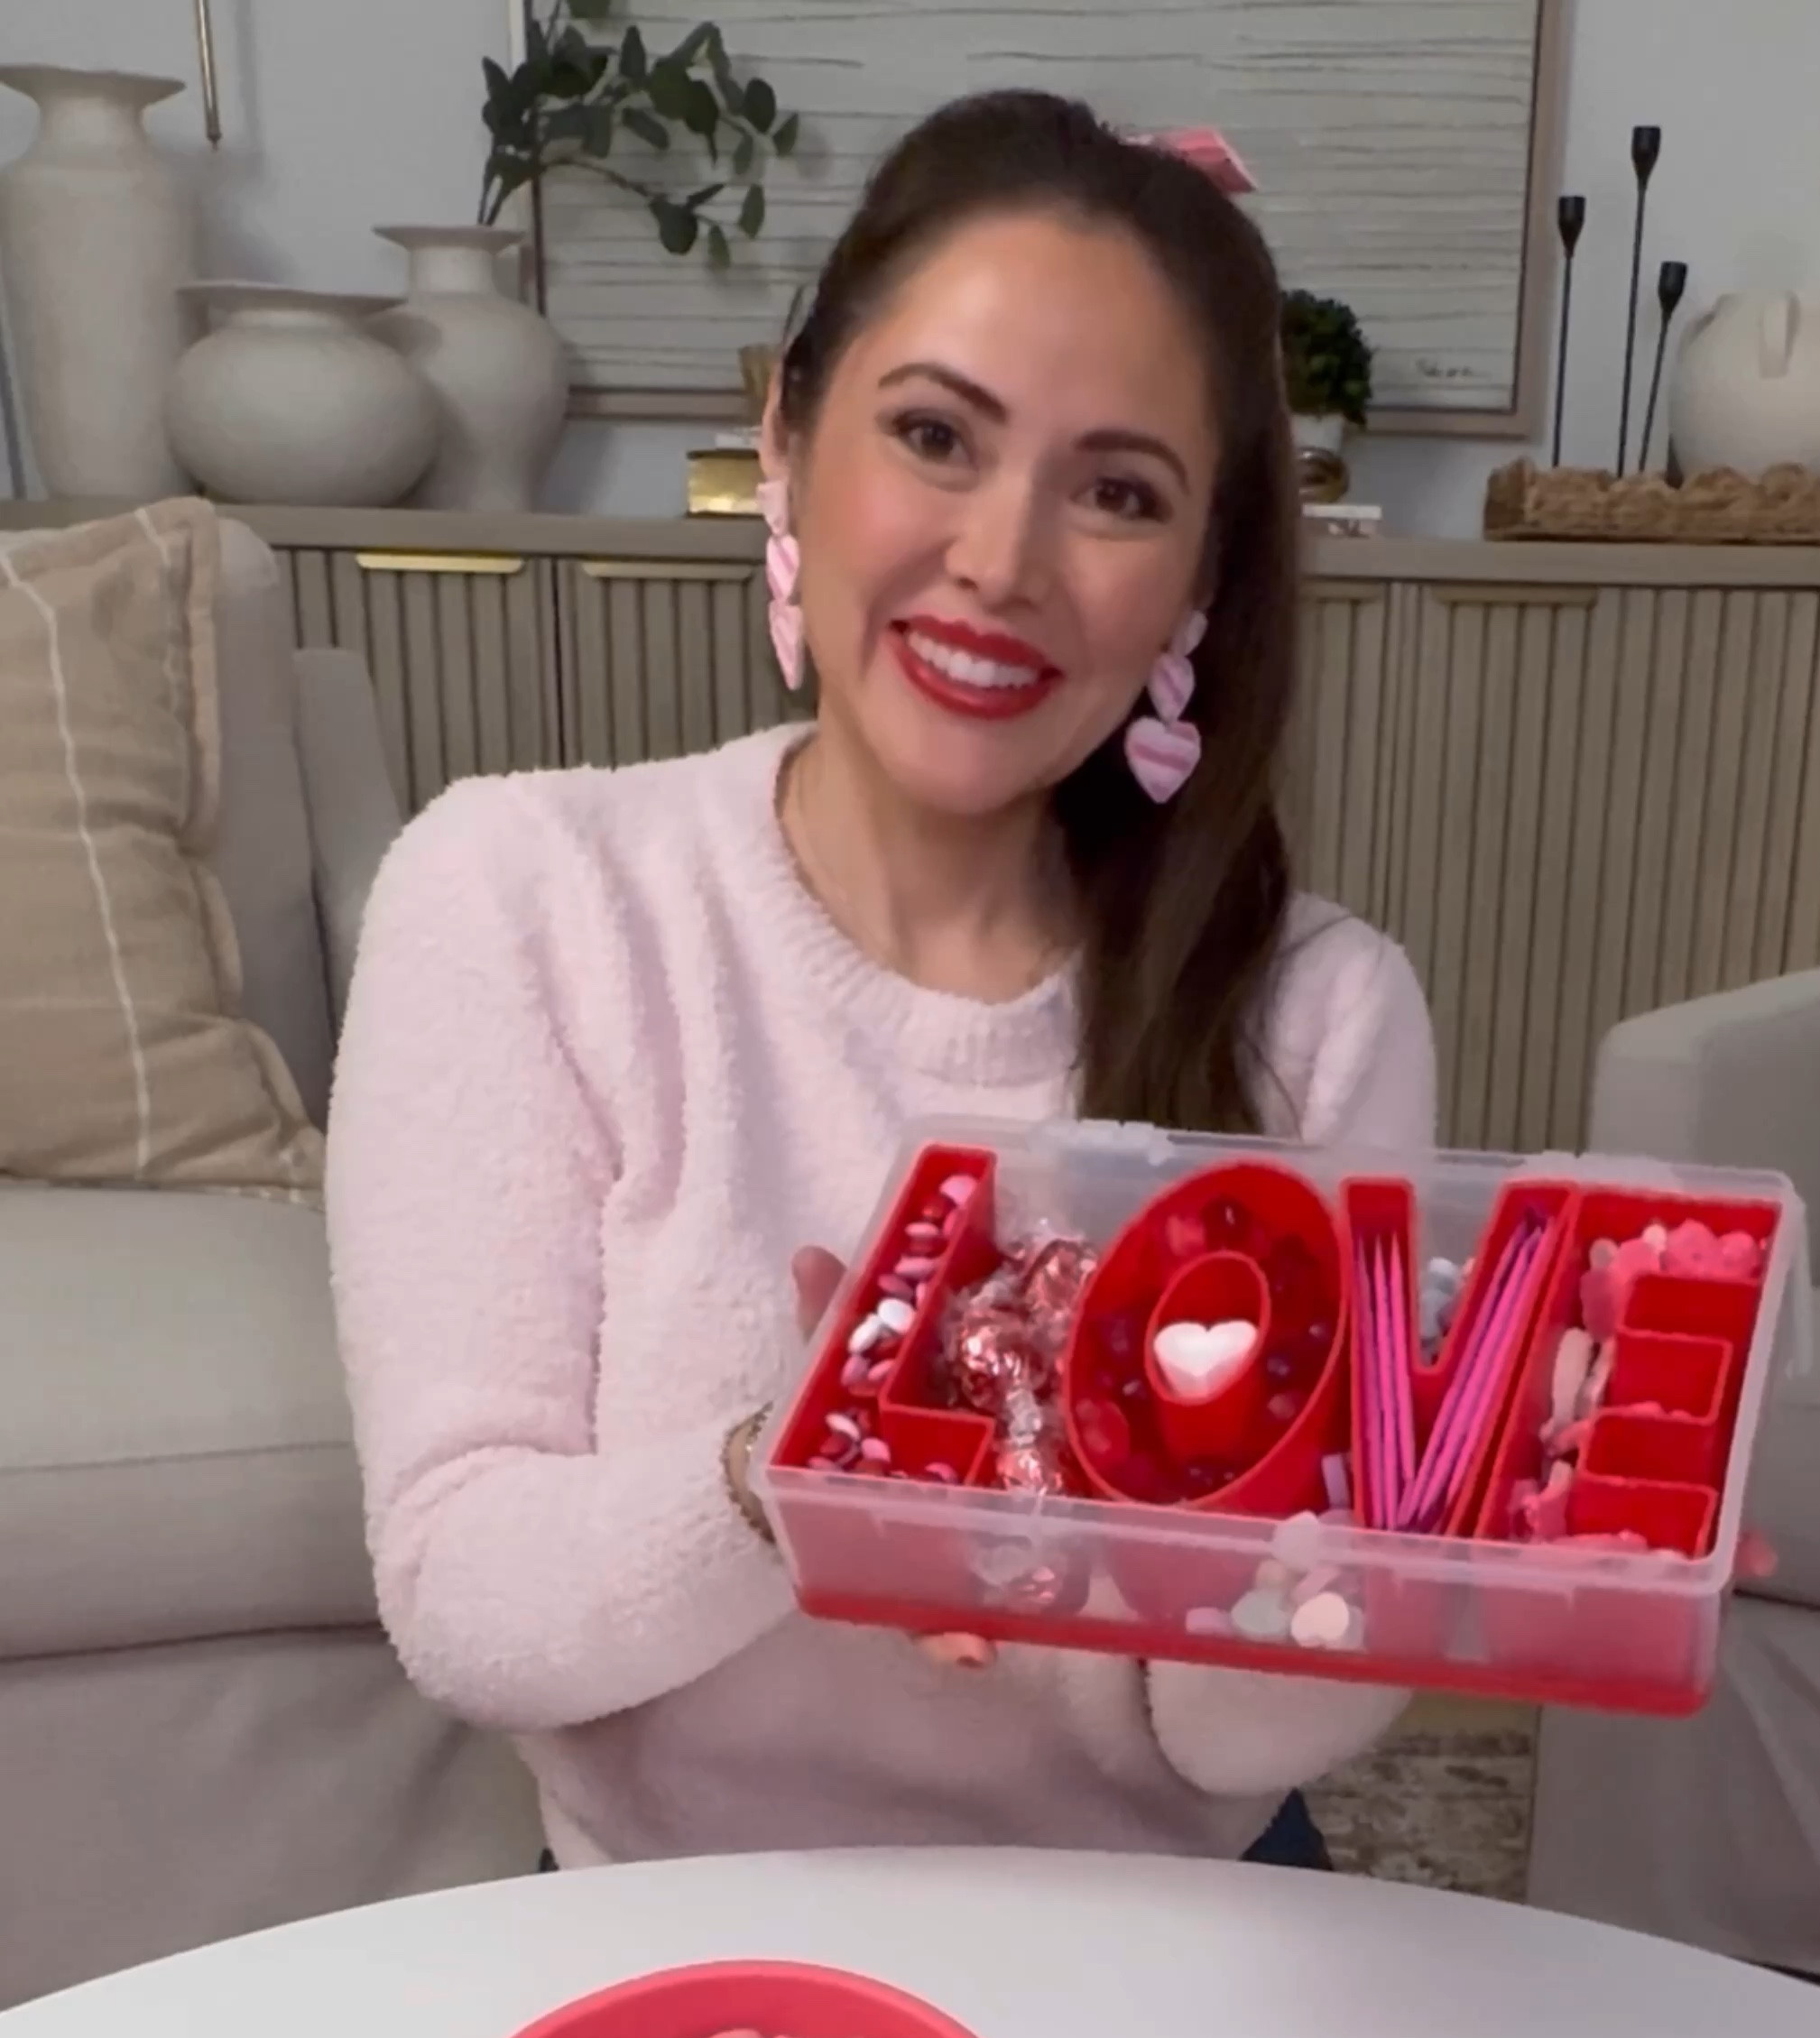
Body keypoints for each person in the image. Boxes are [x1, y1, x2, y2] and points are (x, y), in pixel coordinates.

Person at [325, 90, 1437, 1880]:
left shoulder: (1317, 1010)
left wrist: (1367, 1552)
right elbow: (463, 1596)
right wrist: (818, 1459)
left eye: (1116, 492)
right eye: (934, 434)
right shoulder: (525, 892)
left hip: (1167, 1922)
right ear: (782, 431)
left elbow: (1236, 1740)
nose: (1001, 562)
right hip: (682, 1957)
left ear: (1200, 580)